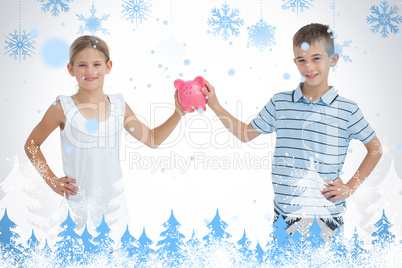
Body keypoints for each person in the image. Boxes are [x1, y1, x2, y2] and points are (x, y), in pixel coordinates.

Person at [202, 23, 382, 241]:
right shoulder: (280, 103)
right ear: (295, 62)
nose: (309, 67)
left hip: (326, 216)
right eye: (302, 60)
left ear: (333, 59)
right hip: (285, 215)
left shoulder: (347, 109)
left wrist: (350, 187)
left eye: (316, 58)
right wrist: (215, 105)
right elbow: (245, 134)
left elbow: (375, 149)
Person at [24, 35, 188, 235]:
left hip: (114, 211)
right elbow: (32, 144)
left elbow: (152, 140)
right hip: (77, 209)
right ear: (71, 69)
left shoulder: (119, 106)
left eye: (96, 64)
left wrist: (178, 112)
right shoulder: (61, 108)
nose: (90, 71)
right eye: (82, 65)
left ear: (108, 66)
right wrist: (51, 180)